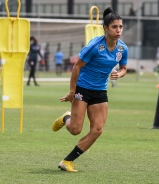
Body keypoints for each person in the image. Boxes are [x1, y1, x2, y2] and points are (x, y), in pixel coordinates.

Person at [52, 7, 128, 172]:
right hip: (83, 88)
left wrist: (119, 74)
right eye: (115, 27)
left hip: (100, 91)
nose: (118, 30)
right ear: (106, 28)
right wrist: (72, 91)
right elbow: (76, 67)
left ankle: (67, 161)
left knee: (97, 130)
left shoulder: (122, 49)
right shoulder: (94, 46)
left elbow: (124, 68)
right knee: (75, 130)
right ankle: (67, 118)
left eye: (120, 27)